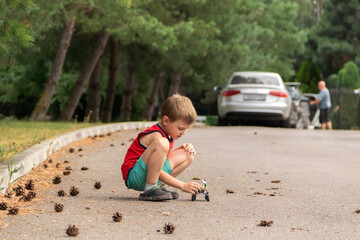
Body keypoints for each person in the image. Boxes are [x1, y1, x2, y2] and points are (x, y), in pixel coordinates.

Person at [121, 94, 202, 201]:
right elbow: (154, 167)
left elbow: (159, 162)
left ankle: (157, 186)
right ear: (166, 121)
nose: (184, 133)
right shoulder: (157, 136)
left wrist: (182, 148)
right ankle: (150, 188)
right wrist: (182, 185)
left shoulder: (168, 133)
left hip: (147, 173)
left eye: (186, 129)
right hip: (134, 175)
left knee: (188, 154)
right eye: (181, 128)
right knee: (163, 143)